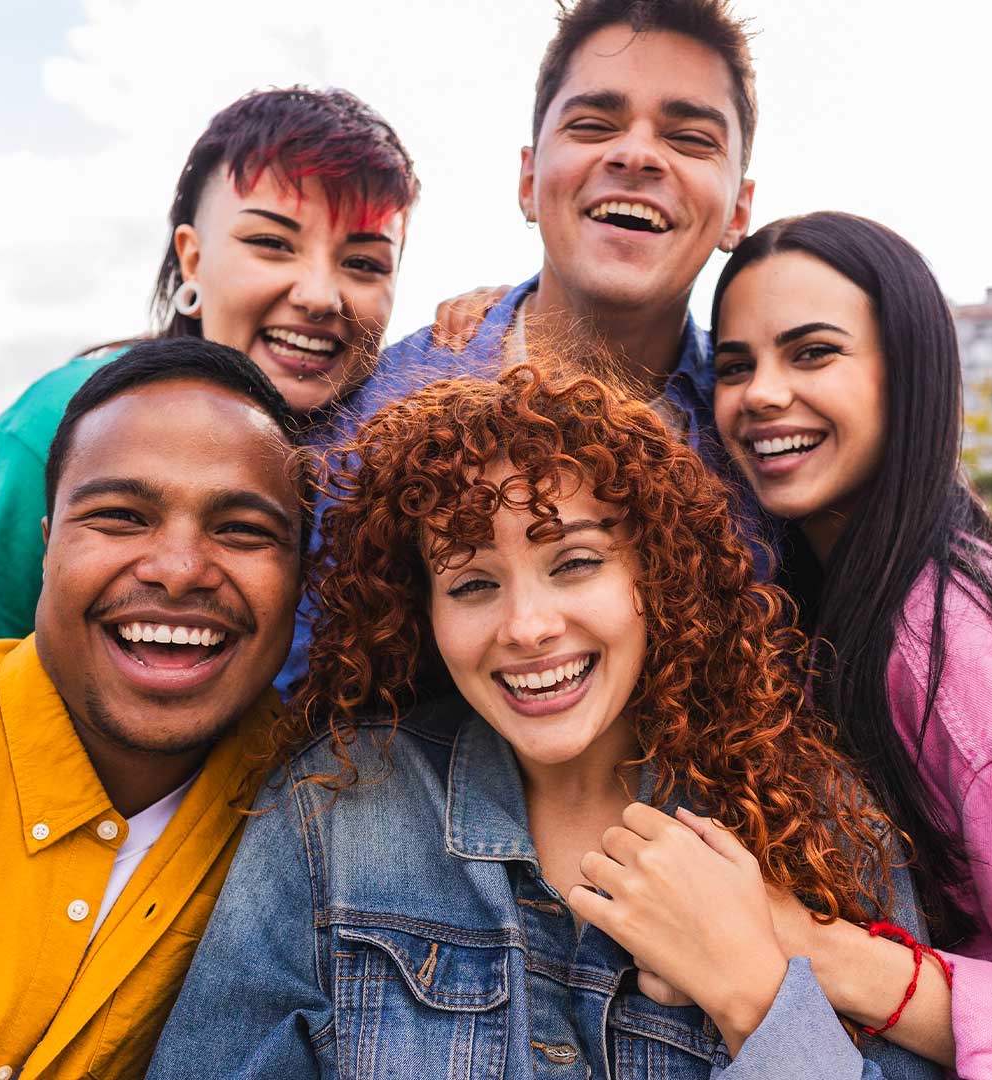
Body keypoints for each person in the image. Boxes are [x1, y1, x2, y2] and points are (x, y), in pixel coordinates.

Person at [149, 362, 939, 1078]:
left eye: (575, 564)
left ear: (655, 576)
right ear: (419, 613)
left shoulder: (812, 817)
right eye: (471, 585)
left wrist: (751, 999)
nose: (527, 626)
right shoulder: (332, 813)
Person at [276, 0, 759, 694]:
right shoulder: (385, 411)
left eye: (689, 138)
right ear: (529, 181)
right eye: (594, 125)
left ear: (738, 210)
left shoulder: (761, 429)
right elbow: (313, 689)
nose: (636, 154)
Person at [710, 211, 992, 1077]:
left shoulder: (954, 649)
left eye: (812, 353)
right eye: (734, 365)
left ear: (906, 376)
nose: (761, 392)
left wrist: (815, 951)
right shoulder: (827, 590)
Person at [0, 85, 418, 640]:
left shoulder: (398, 455)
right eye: (272, 243)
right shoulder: (61, 421)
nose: (319, 296)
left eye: (363, 262)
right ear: (193, 257)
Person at [0, 339, 307, 1079]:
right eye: (120, 516)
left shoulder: (330, 817)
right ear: (45, 546)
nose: (178, 570)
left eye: (242, 530)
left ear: (301, 579)